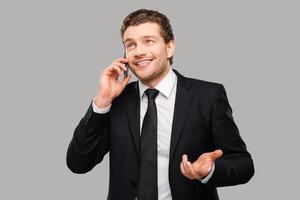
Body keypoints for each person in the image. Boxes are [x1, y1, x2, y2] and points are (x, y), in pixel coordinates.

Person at [66, 9, 254, 200]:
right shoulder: (117, 101)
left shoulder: (207, 96)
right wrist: (102, 101)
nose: (139, 52)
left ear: (170, 46)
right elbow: (78, 163)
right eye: (130, 45)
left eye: (148, 41)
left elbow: (243, 164)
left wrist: (209, 171)